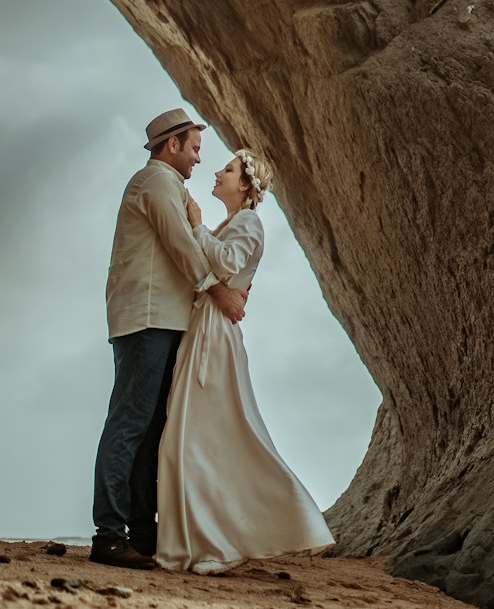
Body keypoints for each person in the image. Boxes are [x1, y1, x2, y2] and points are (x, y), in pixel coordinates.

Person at [155, 147, 333, 573]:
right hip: (205, 329)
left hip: (215, 336)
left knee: (202, 440)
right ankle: (204, 543)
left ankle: (225, 544)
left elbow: (228, 261)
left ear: (247, 185)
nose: (218, 172)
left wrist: (196, 227)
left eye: (229, 169)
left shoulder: (249, 221)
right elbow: (216, 267)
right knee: (188, 441)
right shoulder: (232, 223)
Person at [91, 109, 248, 570]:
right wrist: (220, 293)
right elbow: (181, 244)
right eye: (195, 148)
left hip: (162, 318)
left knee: (150, 430)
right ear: (171, 144)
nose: (200, 159)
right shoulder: (156, 181)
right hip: (147, 318)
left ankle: (141, 535)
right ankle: (109, 534)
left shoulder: (169, 185)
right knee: (130, 424)